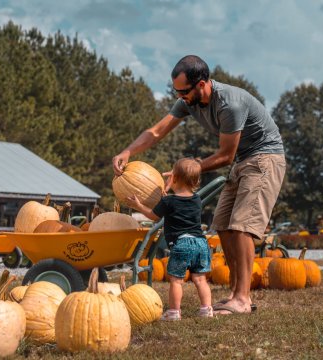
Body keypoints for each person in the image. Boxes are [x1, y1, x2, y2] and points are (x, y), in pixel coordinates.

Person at [113, 55, 286, 314]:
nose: (179, 96)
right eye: (176, 91)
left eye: (183, 91)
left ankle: (243, 298)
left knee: (241, 226)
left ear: (202, 84)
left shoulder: (229, 104)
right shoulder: (188, 102)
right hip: (242, 161)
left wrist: (186, 172)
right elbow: (157, 131)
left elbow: (225, 155)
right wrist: (128, 151)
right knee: (223, 226)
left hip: (265, 159)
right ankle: (234, 294)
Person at [126, 158, 212, 320]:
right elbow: (177, 199)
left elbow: (153, 215)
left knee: (176, 281)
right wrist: (171, 184)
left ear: (175, 178)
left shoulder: (168, 201)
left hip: (182, 244)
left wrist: (138, 206)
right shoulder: (196, 200)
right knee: (200, 279)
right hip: (201, 243)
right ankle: (206, 309)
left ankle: (173, 312)